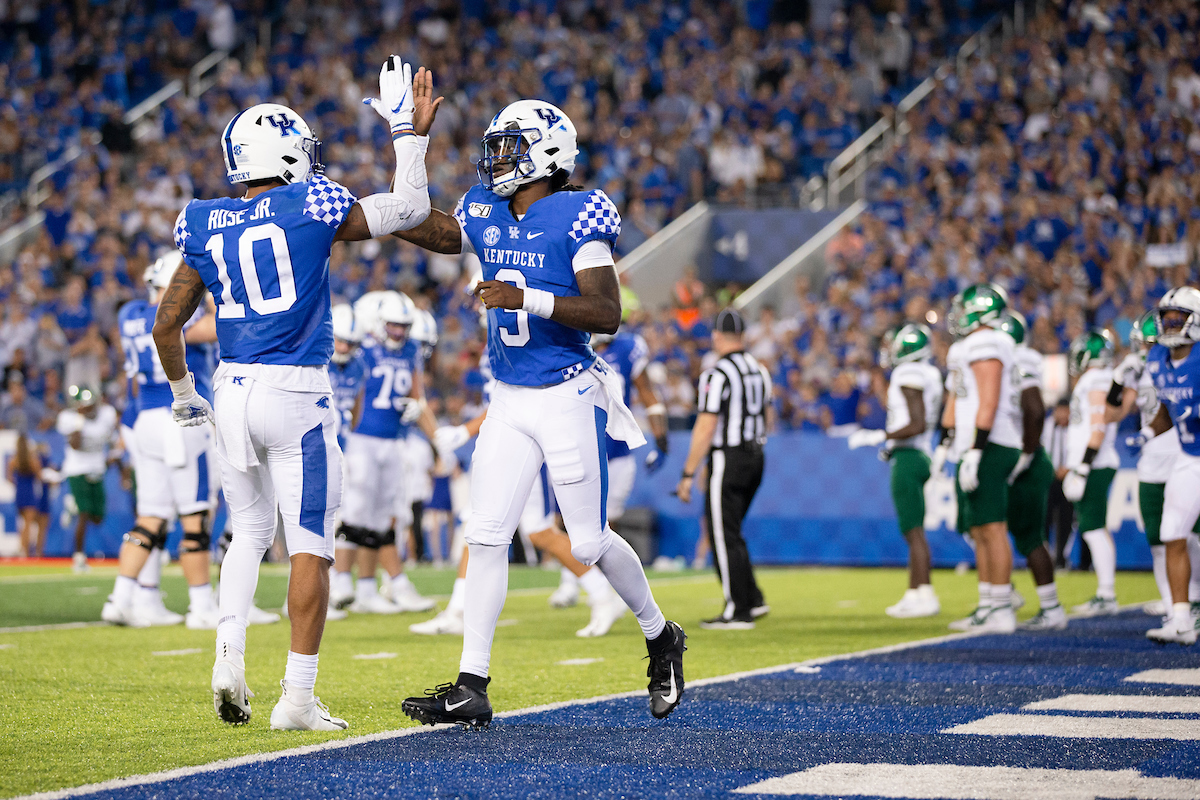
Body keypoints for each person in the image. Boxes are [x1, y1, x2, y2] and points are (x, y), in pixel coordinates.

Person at [152, 58, 440, 730]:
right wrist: (408, 134)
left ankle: (228, 657)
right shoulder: (313, 202)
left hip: (230, 389)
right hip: (298, 394)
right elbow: (412, 209)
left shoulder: (204, 220)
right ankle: (298, 698)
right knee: (309, 545)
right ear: (285, 152)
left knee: (248, 532)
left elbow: (168, 324)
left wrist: (183, 393)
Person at [394, 99, 686, 728]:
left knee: (586, 539)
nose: (497, 159)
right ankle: (472, 683)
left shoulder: (579, 211)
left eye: (510, 147)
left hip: (566, 393)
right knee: (486, 533)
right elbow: (422, 225)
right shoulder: (487, 208)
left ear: (548, 154)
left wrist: (527, 297)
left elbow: (606, 312)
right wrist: (408, 144)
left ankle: (660, 634)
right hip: (508, 398)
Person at [102, 252, 221, 629]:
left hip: (146, 420)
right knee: (194, 517)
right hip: (181, 417)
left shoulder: (130, 314)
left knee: (150, 516)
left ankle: (120, 599)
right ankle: (202, 605)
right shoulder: (181, 316)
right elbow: (217, 327)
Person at [337, 291, 435, 614]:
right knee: (355, 511)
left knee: (380, 517)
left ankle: (366, 588)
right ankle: (340, 580)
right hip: (363, 439)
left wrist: (415, 408)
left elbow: (416, 393)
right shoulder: (363, 348)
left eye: (403, 327)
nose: (399, 333)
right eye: (393, 326)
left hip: (392, 440)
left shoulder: (411, 350)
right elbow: (357, 395)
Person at [676, 308, 771, 629]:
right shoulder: (760, 370)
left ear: (717, 336)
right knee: (732, 531)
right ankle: (753, 598)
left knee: (721, 534)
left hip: (729, 457)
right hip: (756, 456)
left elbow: (705, 426)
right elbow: (765, 417)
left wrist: (689, 472)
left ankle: (738, 610)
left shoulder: (717, 374)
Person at [1110, 310, 1200, 619]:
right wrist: (1117, 383)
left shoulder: (1189, 361)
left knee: (1190, 537)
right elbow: (1117, 410)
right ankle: (1178, 610)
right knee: (1165, 535)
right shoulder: (1147, 365)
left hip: (1184, 454)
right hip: (1166, 460)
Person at [849, 323, 942, 618]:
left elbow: (916, 422)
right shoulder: (929, 373)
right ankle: (915, 592)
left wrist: (881, 436)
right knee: (913, 530)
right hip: (918, 453)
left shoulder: (908, 372)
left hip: (910, 456)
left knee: (913, 531)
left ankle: (925, 593)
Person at [944, 284, 1021, 634]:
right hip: (979, 441)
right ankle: (989, 605)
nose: (958, 314)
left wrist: (976, 448)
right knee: (979, 529)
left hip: (990, 441)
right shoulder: (972, 344)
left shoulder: (986, 342)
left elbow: (988, 400)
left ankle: (1002, 608)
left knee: (992, 527)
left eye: (965, 308)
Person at [998, 311, 1067, 630]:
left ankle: (1048, 607)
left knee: (1027, 536)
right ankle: (1005, 593)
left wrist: (1025, 455)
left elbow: (1035, 409)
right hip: (1019, 455)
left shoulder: (1019, 358)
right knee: (982, 526)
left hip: (1026, 459)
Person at [1141, 287, 1200, 644]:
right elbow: (1166, 409)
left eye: (1178, 317)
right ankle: (1181, 619)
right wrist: (1148, 433)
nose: (1171, 324)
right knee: (1172, 533)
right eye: (1167, 317)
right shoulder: (1157, 359)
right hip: (1190, 457)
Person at [1061, 330, 1120, 617]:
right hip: (1094, 461)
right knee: (1093, 527)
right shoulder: (1097, 378)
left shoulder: (1095, 378)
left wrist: (1083, 467)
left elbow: (1098, 426)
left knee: (1093, 527)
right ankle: (1106, 592)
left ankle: (1106, 594)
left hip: (1095, 462)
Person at [56, 385, 119, 573]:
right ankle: (79, 558)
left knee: (98, 517)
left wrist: (116, 462)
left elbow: (113, 443)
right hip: (77, 469)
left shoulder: (107, 415)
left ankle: (73, 505)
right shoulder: (70, 419)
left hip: (96, 469)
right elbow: (75, 445)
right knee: (84, 514)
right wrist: (80, 419)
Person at [7, 428, 42, 557]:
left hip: (19, 492)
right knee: (28, 524)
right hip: (30, 493)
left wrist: (18, 484)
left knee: (23, 524)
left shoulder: (13, 460)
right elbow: (39, 476)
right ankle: (25, 551)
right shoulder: (33, 460)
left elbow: (10, 478)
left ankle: (23, 549)